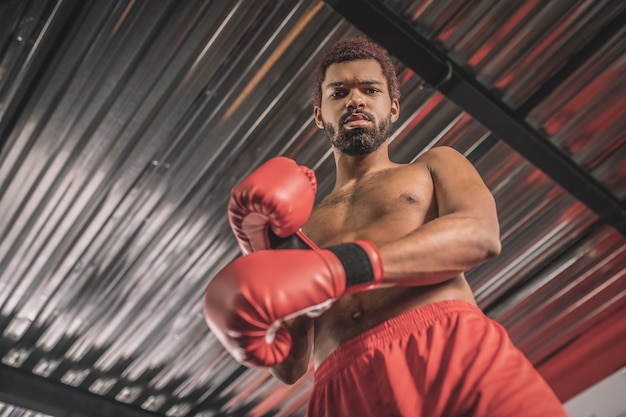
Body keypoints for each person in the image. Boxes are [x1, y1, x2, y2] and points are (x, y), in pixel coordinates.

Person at [204, 37, 569, 417]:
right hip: (342, 386)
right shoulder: (301, 225)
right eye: (339, 92)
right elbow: (291, 366)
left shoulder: (432, 165)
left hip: (450, 348)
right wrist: (262, 251)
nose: (355, 100)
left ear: (393, 108)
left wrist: (342, 266)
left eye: (370, 89)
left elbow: (480, 235)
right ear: (319, 115)